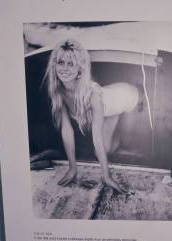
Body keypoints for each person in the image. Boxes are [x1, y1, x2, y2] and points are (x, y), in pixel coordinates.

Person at [44, 38, 144, 193]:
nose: (64, 68)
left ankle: (137, 93)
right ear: (54, 64)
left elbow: (96, 138)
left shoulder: (92, 95)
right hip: (107, 103)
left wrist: (107, 176)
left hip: (128, 97)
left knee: (128, 143)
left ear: (80, 68)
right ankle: (113, 117)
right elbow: (67, 131)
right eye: (61, 62)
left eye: (71, 63)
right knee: (107, 151)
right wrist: (72, 168)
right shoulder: (58, 91)